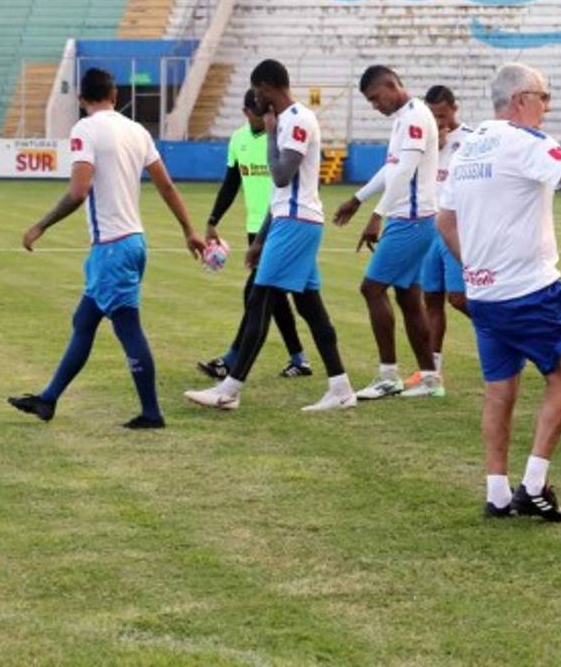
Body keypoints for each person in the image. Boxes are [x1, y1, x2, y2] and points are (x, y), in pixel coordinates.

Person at [436, 62, 561, 521]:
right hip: (528, 290)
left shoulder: (468, 148)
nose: (548, 106)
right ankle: (534, 486)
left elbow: (445, 221)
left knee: (499, 390)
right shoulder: (525, 142)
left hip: (484, 294)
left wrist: (479, 266)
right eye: (543, 96)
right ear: (521, 99)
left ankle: (497, 492)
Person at [8, 67, 205, 429]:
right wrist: (189, 230)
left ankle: (151, 412)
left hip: (112, 247)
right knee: (84, 321)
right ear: (115, 97)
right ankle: (48, 399)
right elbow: (166, 186)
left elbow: (78, 191)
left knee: (128, 327)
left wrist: (40, 225)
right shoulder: (137, 131)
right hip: (133, 242)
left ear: (82, 101)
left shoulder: (85, 129)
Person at [184, 59, 355, 412]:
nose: (256, 99)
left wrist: (271, 136)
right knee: (311, 309)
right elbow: (279, 197)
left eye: (258, 91)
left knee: (260, 300)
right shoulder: (286, 122)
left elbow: (280, 176)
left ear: (267, 87)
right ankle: (341, 388)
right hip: (289, 221)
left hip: (296, 223)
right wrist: (261, 239)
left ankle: (229, 389)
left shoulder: (297, 120)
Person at [333, 66, 443, 399]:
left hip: (410, 219)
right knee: (408, 297)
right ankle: (429, 379)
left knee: (372, 288)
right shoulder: (405, 117)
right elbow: (392, 168)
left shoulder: (413, 118)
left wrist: (376, 215)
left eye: (376, 98)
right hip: (411, 217)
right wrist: (357, 198)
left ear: (392, 85)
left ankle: (388, 375)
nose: (375, 106)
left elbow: (405, 171)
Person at [196, 89, 312, 381]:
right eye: (259, 112)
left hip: (282, 225)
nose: (265, 116)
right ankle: (300, 359)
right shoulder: (238, 140)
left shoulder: (282, 136)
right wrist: (212, 220)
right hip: (255, 231)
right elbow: (231, 183)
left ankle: (231, 360)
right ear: (247, 112)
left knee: (256, 293)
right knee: (285, 299)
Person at [419, 85, 472, 378]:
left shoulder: (471, 140)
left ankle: (501, 331)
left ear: (454, 108)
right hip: (429, 227)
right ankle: (431, 368)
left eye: (441, 115)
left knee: (459, 298)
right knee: (432, 299)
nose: (438, 121)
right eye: (432, 115)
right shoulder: (425, 138)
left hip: (457, 229)